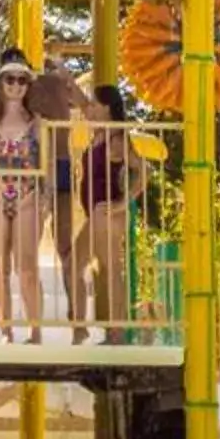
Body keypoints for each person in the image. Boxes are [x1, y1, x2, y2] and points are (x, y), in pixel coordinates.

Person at [0, 54, 47, 341]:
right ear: (0, 83)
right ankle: (6, 329)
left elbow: (45, 161)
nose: (16, 85)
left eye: (22, 80)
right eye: (10, 79)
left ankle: (35, 329)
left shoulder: (36, 122)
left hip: (27, 192)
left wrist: (46, 193)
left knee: (27, 265)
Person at [23, 56, 98, 329]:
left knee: (59, 247)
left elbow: (85, 107)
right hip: (42, 167)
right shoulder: (43, 85)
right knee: (48, 247)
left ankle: (69, 315)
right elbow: (84, 107)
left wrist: (64, 77)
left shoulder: (45, 85)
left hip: (51, 166)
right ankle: (61, 317)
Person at [75, 83, 140, 343]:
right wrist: (62, 71)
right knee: (82, 265)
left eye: (94, 103)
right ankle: (89, 328)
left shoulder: (116, 138)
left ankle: (116, 332)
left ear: (106, 108)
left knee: (110, 268)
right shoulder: (99, 133)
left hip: (107, 213)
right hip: (97, 213)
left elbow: (142, 171)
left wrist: (123, 204)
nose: (89, 107)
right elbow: (80, 103)